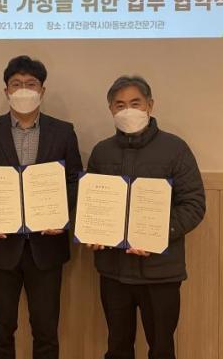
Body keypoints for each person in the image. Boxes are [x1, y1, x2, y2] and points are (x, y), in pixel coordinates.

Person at [0, 55, 83, 359]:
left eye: (31, 84)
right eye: (16, 84)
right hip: (0, 247)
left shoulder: (63, 131)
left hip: (47, 246)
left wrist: (61, 216)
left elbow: (74, 180)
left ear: (42, 91)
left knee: (46, 331)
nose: (23, 90)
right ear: (6, 91)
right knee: (0, 331)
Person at [85, 75, 205, 359]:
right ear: (111, 110)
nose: (128, 110)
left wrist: (157, 235)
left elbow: (194, 204)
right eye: (120, 105)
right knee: (117, 349)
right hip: (114, 272)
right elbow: (91, 202)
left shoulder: (175, 149)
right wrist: (91, 231)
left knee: (161, 349)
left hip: (161, 272)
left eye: (135, 103)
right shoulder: (102, 152)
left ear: (150, 105)